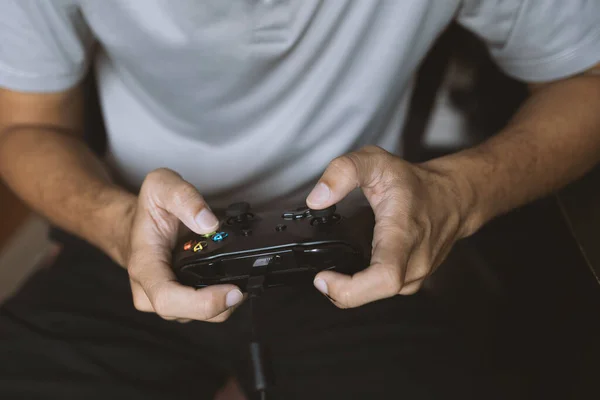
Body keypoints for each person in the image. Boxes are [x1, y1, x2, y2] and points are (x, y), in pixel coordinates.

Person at [1, 1, 599, 399]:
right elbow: (26, 129)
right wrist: (116, 221)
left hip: (358, 250)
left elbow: (586, 80)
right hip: (132, 235)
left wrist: (456, 193)